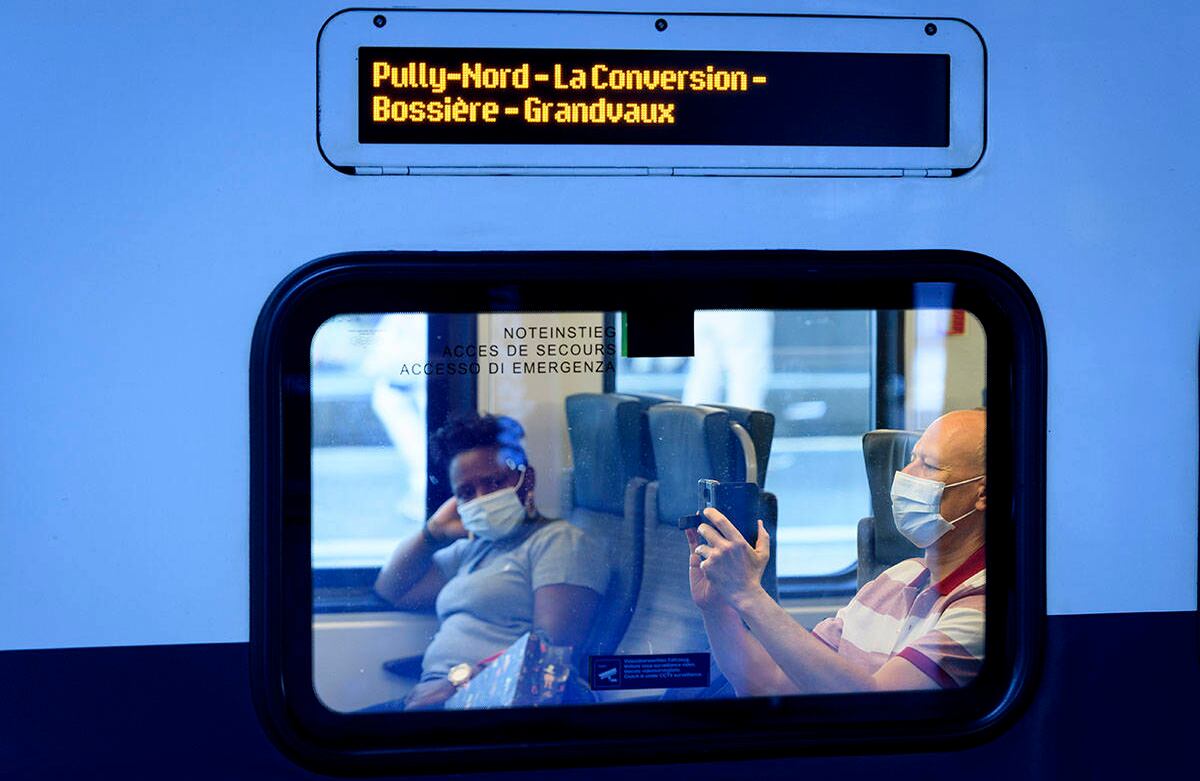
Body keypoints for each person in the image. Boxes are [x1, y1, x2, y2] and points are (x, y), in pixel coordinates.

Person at [687, 409, 986, 695]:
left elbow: (878, 706)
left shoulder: (980, 610)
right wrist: (718, 607)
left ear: (982, 493)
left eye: (929, 465)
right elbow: (770, 683)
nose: (905, 474)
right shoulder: (897, 579)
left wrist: (749, 594)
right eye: (911, 458)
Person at [374, 413, 606, 709]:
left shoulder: (560, 541)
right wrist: (433, 533)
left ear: (527, 479)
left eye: (494, 482)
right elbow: (392, 590)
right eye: (467, 492)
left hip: (488, 703)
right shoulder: (476, 548)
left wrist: (456, 682)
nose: (482, 498)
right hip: (439, 697)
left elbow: (549, 654)